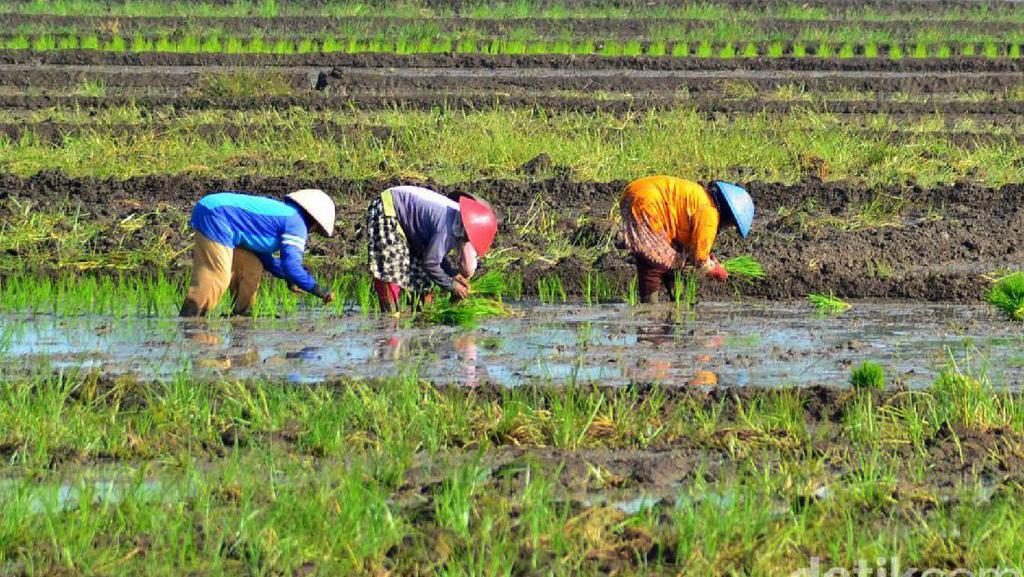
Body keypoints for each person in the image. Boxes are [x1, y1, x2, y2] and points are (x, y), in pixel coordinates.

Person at [179, 189, 336, 317]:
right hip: (216, 215)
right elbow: (291, 265)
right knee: (217, 277)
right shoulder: (296, 223)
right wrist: (319, 290)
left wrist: (290, 277)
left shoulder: (287, 216)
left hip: (221, 216)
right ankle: (191, 320)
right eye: (316, 230)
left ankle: (242, 315)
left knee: (252, 268)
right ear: (314, 223)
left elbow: (267, 260)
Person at [619, 176, 754, 304]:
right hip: (646, 201)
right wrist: (715, 271)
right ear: (728, 215)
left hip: (640, 194)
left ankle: (679, 303)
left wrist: (711, 259)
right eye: (731, 225)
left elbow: (693, 247)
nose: (728, 228)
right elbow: (699, 257)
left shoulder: (703, 201)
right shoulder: (709, 213)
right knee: (654, 264)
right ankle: (649, 309)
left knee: (673, 262)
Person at [365, 185, 497, 311]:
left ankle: (423, 318)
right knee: (391, 269)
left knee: (423, 279)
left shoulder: (455, 220)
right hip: (387, 209)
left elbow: (433, 255)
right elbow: (430, 263)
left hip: (409, 222)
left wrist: (453, 274)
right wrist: (452, 286)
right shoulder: (446, 228)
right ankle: (389, 320)